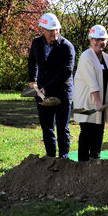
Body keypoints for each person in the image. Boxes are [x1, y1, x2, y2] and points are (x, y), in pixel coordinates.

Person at [28, 13, 75, 158]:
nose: (54, 33)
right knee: (47, 128)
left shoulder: (67, 46)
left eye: (57, 29)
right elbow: (32, 61)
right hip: (43, 93)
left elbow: (66, 71)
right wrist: (33, 79)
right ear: (42, 29)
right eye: (50, 30)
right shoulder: (36, 43)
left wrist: (46, 87)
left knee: (62, 128)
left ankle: (64, 159)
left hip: (62, 92)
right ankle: (50, 158)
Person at [73, 25, 108, 161]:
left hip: (100, 102)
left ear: (106, 40)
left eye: (102, 39)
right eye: (95, 39)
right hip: (86, 102)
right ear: (90, 41)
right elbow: (91, 81)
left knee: (99, 130)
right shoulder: (86, 57)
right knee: (87, 131)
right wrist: (98, 102)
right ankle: (82, 162)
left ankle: (95, 159)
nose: (99, 42)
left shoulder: (107, 57)